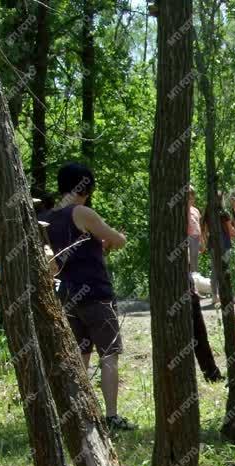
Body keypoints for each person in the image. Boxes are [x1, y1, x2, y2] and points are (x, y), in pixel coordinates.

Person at [42, 162, 134, 430]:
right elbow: (117, 239)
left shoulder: (49, 217)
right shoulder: (82, 212)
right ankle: (111, 416)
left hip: (69, 295)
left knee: (81, 355)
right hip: (96, 293)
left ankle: (80, 413)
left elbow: (62, 260)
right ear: (86, 186)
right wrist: (116, 238)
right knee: (109, 354)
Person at [202, 192, 235, 306]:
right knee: (225, 269)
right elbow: (231, 231)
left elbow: (206, 232)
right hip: (225, 244)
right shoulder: (224, 213)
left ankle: (214, 296)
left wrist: (207, 243)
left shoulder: (207, 213)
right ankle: (226, 295)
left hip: (213, 244)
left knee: (214, 270)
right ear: (221, 199)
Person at [187, 186, 204, 276]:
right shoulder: (183, 211)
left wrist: (202, 241)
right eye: (189, 199)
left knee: (194, 261)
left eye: (193, 199)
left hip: (196, 238)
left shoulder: (195, 210)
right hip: (187, 239)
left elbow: (199, 226)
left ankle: (194, 281)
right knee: (188, 260)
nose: (191, 201)